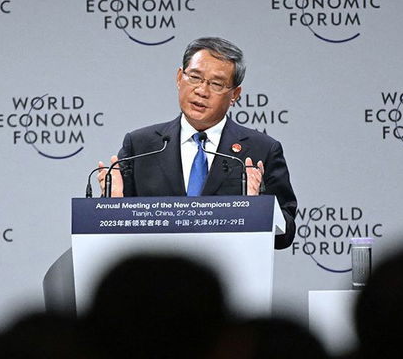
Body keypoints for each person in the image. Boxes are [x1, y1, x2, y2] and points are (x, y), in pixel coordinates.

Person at [96, 36, 297, 249]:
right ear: (179, 77)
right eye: (194, 77)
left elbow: (285, 236)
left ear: (235, 95)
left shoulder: (261, 150)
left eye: (217, 84)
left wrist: (259, 207)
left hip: (228, 278)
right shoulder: (140, 146)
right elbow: (108, 232)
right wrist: (113, 203)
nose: (202, 90)